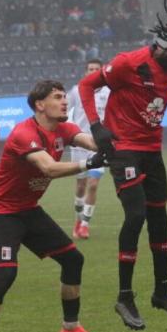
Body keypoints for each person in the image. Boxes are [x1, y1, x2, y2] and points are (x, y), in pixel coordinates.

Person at [79, 0, 167, 330]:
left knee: (160, 220)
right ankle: (124, 297)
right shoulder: (130, 63)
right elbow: (86, 85)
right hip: (123, 150)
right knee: (135, 215)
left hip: (153, 151)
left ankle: (162, 293)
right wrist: (96, 126)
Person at [0, 80, 105, 332]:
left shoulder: (64, 128)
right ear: (40, 105)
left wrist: (109, 144)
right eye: (58, 97)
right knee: (6, 273)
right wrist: (88, 163)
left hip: (27, 209)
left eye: (64, 97)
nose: (65, 101)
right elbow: (50, 168)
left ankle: (71, 327)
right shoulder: (24, 133)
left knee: (73, 259)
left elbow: (92, 143)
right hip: (0, 213)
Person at [67, 59, 110, 239]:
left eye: (96, 69)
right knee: (81, 186)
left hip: (98, 145)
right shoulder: (77, 91)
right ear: (85, 72)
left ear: (101, 72)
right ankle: (78, 219)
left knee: (93, 185)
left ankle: (85, 225)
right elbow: (65, 111)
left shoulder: (108, 92)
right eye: (90, 69)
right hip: (79, 143)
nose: (92, 71)